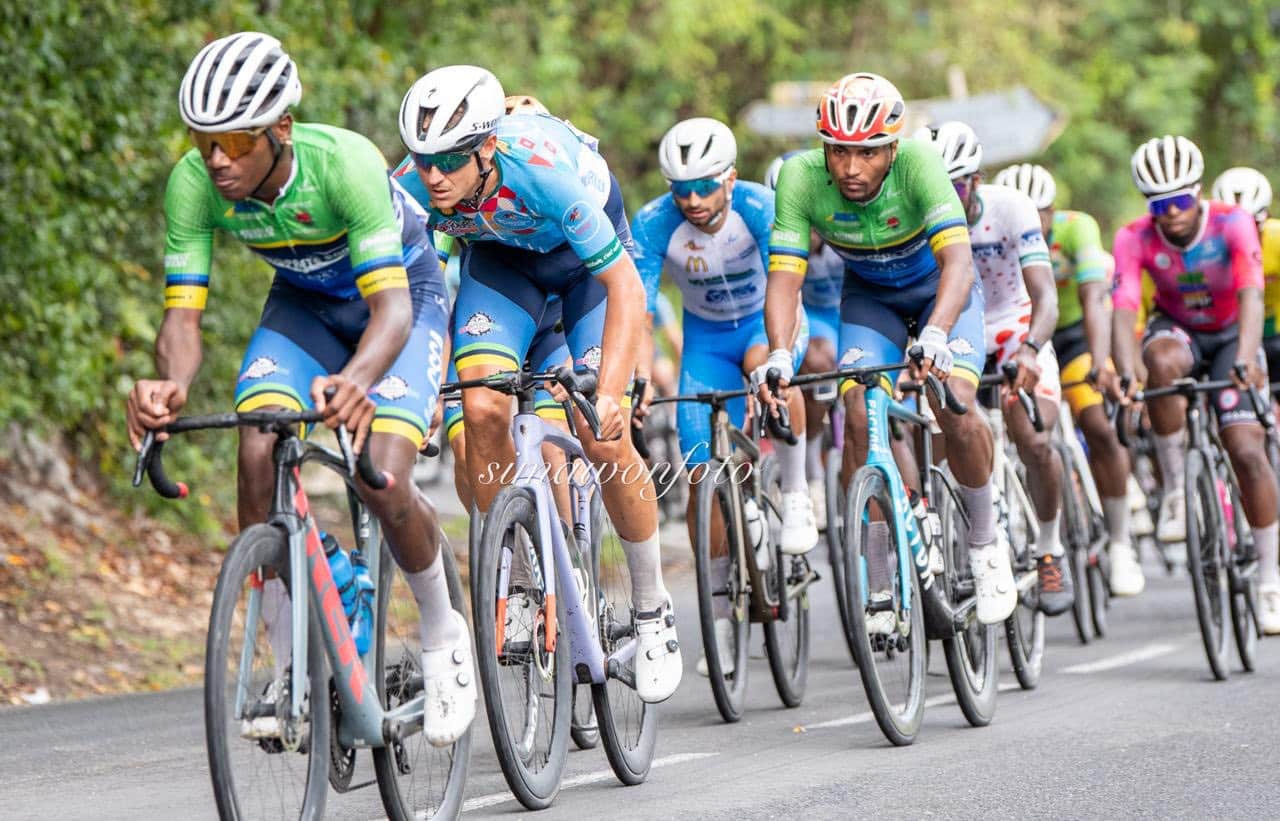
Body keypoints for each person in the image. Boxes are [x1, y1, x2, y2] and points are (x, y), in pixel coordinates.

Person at [124, 32, 471, 745]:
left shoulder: (344, 164)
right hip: (304, 308)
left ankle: (444, 633)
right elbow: (182, 317)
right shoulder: (193, 184)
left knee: (382, 474)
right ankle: (294, 669)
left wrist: (357, 381)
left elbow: (392, 311)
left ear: (281, 128)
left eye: (235, 140)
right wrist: (170, 384)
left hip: (400, 301)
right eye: (203, 140)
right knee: (257, 452)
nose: (217, 159)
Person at [393, 66, 681, 700]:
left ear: (488, 147)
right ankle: (521, 577)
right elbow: (400, 288)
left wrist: (611, 392)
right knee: (479, 409)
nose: (433, 175)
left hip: (586, 272)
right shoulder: (414, 186)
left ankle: (652, 609)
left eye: (450, 159)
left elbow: (625, 287)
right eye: (423, 159)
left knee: (600, 435)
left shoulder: (544, 175)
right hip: (503, 268)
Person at [760, 72, 1015, 628]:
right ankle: (879, 578)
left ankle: (985, 542)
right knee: (858, 409)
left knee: (956, 402)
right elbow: (784, 278)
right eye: (838, 151)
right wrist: (779, 353)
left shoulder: (919, 164)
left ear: (893, 148)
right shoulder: (801, 177)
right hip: (870, 300)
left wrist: (937, 334)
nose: (850, 168)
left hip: (940, 293)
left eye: (868, 153)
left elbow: (959, 263)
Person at [631, 118, 815, 676]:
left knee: (770, 372)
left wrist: (778, 353)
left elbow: (788, 283)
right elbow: (638, 312)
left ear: (730, 179)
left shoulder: (762, 207)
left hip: (765, 326)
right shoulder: (654, 223)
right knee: (700, 478)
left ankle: (797, 491)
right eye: (680, 189)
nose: (692, 200)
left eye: (704, 186)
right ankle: (720, 618)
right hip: (706, 344)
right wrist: (639, 376)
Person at [1105, 135, 1280, 634]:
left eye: (1181, 201)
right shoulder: (1133, 237)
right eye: (1160, 206)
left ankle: (1270, 579)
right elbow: (1124, 308)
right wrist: (1125, 369)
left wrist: (1245, 358)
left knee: (1246, 449)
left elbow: (1251, 295)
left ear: (1199, 193)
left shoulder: (1233, 223)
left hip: (1231, 334)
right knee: (1158, 362)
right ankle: (1178, 489)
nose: (1173, 214)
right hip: (1178, 330)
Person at [918, 123, 1072, 615]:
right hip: (953, 329)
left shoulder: (1011, 208)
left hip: (1011, 324)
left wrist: (1030, 349)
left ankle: (1049, 547)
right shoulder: (916, 216)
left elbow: (1045, 296)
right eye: (937, 186)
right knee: (938, 432)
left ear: (977, 181)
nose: (947, 197)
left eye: (957, 186)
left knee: (1033, 437)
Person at [994, 162, 1146, 596]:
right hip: (1017, 336)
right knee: (1023, 430)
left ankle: (1120, 543)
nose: (1028, 222)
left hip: (1074, 335)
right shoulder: (992, 235)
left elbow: (1095, 300)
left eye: (1038, 213)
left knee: (1098, 424)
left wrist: (1099, 364)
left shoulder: (1077, 229)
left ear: (1053, 211)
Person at [765, 150, 846, 529]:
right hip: (815, 318)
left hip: (851, 311)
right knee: (816, 362)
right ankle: (813, 464)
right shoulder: (778, 237)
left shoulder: (843, 229)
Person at [1211, 167, 1280, 377]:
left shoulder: (1276, 237)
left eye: (1253, 224)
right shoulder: (1207, 250)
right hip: (1231, 335)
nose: (1244, 233)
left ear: (1265, 217)